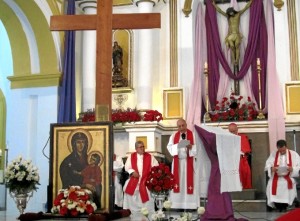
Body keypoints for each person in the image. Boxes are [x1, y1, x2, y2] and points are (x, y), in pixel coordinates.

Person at [167, 118, 198, 209]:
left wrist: (191, 147)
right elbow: (169, 148)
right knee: (178, 183)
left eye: (183, 125)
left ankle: (190, 205)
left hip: (189, 162)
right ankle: (177, 204)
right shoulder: (173, 136)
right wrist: (179, 145)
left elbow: (198, 147)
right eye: (179, 126)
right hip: (178, 163)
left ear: (186, 125)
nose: (181, 128)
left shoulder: (193, 135)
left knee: (189, 183)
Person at [123, 140, 158, 219]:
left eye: (143, 146)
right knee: (128, 189)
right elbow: (127, 167)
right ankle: (133, 210)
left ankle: (147, 209)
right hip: (135, 178)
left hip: (146, 179)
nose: (142, 148)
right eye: (140, 147)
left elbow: (156, 166)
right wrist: (132, 172)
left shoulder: (150, 156)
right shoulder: (131, 156)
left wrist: (151, 175)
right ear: (136, 149)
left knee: (148, 190)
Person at [212, 0, 253, 65]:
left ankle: (237, 60)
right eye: (229, 13)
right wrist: (214, 5)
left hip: (236, 34)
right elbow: (220, 11)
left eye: (231, 12)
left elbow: (246, 7)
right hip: (230, 35)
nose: (231, 14)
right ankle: (234, 61)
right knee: (232, 47)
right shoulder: (228, 17)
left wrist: (251, 1)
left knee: (237, 46)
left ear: (233, 11)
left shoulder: (238, 14)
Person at [265, 139, 300, 211]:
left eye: (283, 150)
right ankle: (277, 205)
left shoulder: (294, 154)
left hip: (289, 176)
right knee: (271, 184)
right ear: (277, 148)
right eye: (280, 151)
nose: (282, 152)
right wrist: (272, 168)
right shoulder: (273, 154)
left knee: (287, 183)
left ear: (286, 147)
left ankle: (286, 204)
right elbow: (267, 165)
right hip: (276, 177)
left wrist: (292, 169)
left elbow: (299, 167)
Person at [228, 123, 252, 189]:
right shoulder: (226, 138)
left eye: (234, 131)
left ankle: (242, 187)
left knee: (243, 167)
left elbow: (246, 151)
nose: (232, 133)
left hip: (241, 160)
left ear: (237, 130)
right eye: (231, 131)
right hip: (229, 160)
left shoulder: (243, 138)